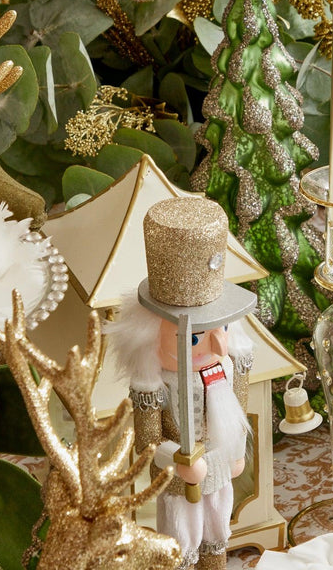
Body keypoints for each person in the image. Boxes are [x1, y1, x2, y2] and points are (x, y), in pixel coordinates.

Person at [110, 196, 255, 570]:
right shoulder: (153, 387)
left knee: (216, 534)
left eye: (221, 329)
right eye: (193, 337)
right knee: (181, 541)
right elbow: (147, 441)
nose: (217, 346)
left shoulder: (229, 369)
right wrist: (178, 461)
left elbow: (237, 418)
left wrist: (236, 454)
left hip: (219, 469)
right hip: (180, 483)